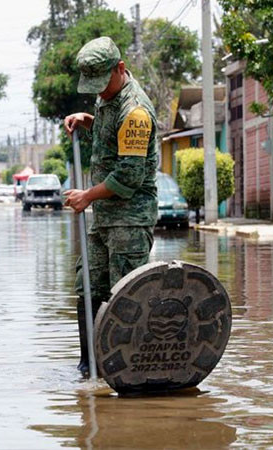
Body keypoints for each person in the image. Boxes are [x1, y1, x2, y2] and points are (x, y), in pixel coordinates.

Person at [62, 36, 158, 378]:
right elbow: (109, 135)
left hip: (129, 224)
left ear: (120, 69)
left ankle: (127, 371)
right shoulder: (109, 99)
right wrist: (87, 120)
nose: (99, 92)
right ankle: (90, 367)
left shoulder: (135, 111)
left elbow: (128, 177)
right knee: (88, 288)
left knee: (125, 298)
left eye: (103, 84)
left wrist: (87, 195)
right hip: (104, 220)